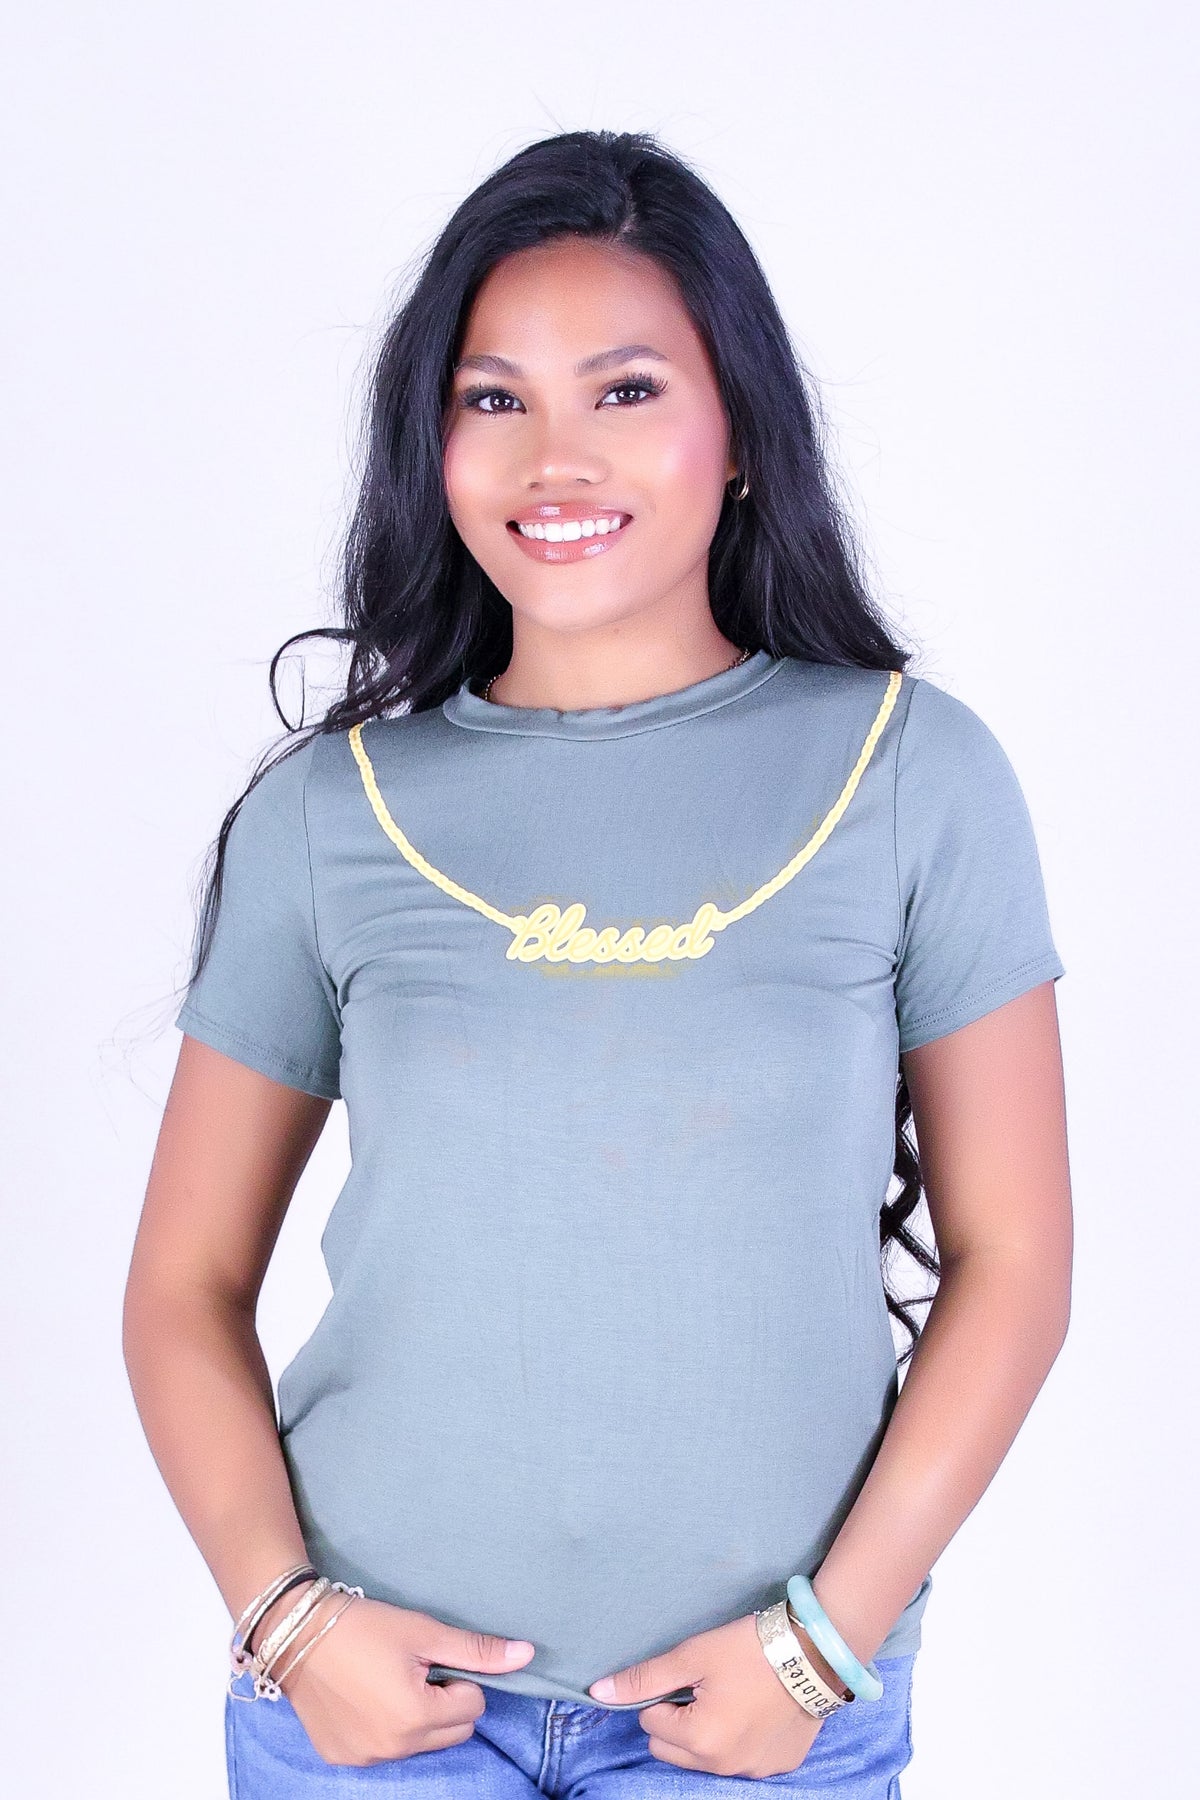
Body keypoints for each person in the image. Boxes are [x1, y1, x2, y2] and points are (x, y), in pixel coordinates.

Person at [123, 129, 1073, 1798]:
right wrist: (286, 1620)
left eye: (625, 390)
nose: (554, 458)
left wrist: (823, 1646)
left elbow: (1018, 1264)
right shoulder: (332, 815)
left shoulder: (909, 774)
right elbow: (180, 1286)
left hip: (765, 1726)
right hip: (376, 1726)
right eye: (493, 399)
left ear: (741, 431)